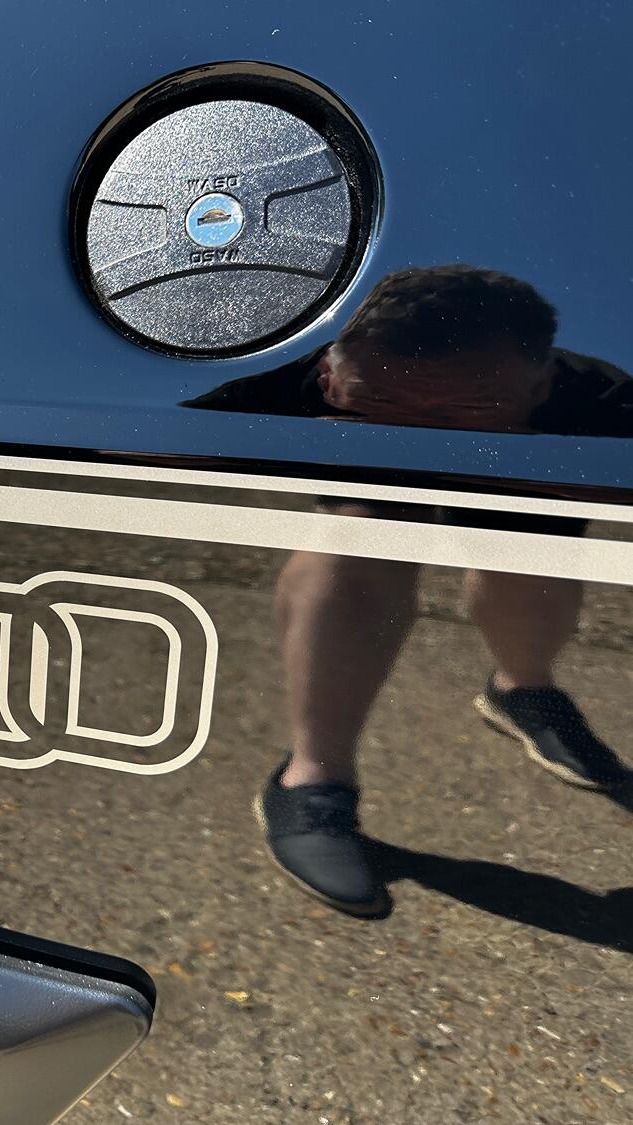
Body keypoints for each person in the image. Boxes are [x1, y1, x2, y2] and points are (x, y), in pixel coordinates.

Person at [188, 265, 633, 916]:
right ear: (329, 373)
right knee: (355, 546)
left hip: (520, 473)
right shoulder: (287, 376)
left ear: (542, 383)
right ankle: (311, 776)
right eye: (382, 404)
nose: (421, 437)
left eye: (461, 409)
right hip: (406, 485)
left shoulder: (600, 395)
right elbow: (143, 445)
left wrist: (533, 465)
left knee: (528, 563)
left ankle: (525, 691)